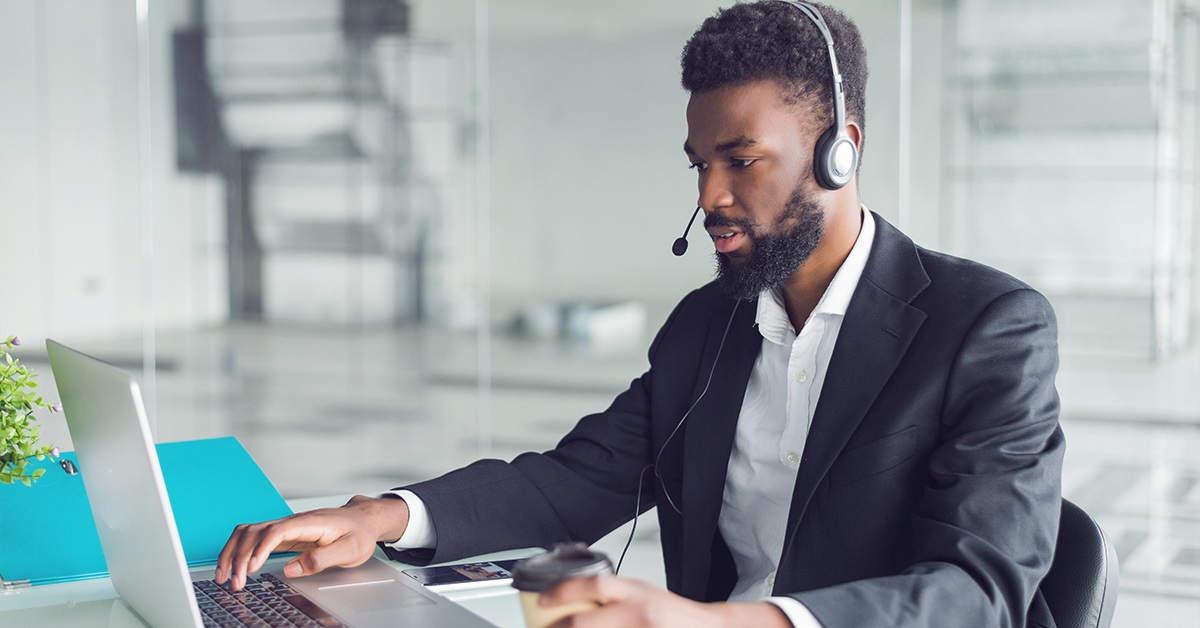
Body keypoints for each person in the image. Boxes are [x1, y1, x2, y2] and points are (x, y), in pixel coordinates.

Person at [217, 3, 1064, 627]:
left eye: (741, 160)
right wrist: (382, 516)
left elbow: (977, 593)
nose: (709, 199)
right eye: (699, 164)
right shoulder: (709, 323)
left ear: (841, 149)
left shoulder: (985, 328)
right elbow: (576, 481)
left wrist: (718, 621)